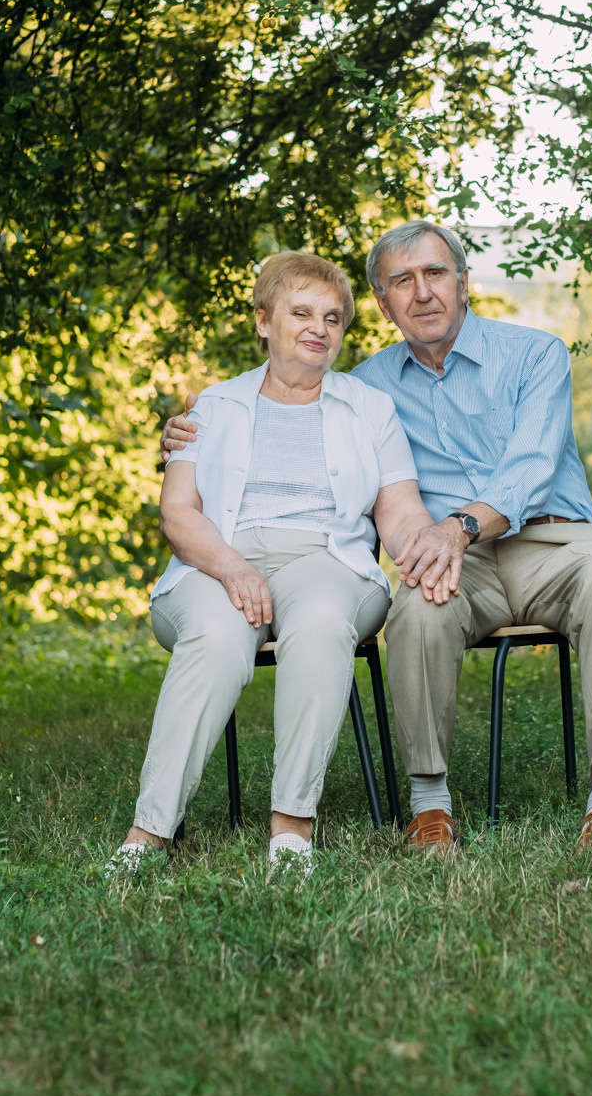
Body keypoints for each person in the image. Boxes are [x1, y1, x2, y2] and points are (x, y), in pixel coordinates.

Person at [162, 223, 592, 854]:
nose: (422, 293)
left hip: (551, 542)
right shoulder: (365, 390)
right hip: (451, 560)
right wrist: (183, 438)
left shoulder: (535, 353)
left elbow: (532, 467)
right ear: (382, 302)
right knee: (417, 608)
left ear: (464, 283)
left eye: (436, 274)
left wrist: (461, 525)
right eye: (402, 281)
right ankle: (429, 803)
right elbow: (291, 443)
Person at [111, 250, 457, 879]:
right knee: (217, 636)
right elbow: (179, 513)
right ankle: (148, 833)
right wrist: (233, 568)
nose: (318, 329)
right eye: (301, 312)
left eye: (332, 318)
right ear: (264, 321)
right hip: (216, 563)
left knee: (323, 620)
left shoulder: (369, 409)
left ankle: (292, 827)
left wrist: (426, 550)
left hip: (329, 558)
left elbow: (400, 511)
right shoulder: (212, 407)